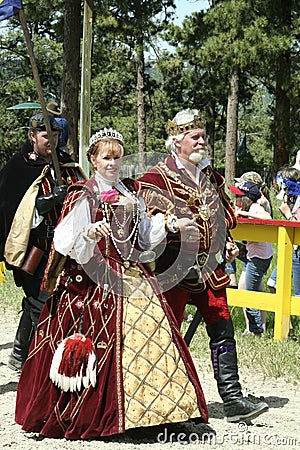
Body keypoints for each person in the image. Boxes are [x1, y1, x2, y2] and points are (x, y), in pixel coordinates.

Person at [15, 128, 208, 439]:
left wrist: (171, 223)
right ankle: (103, 413)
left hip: (132, 273)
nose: (113, 163)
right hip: (92, 280)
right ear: (93, 159)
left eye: (118, 157)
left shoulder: (130, 192)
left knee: (155, 333)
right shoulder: (83, 193)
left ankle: (157, 411)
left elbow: (144, 234)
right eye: (107, 157)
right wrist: (89, 233)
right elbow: (65, 241)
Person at [138, 108, 269, 423]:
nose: (202, 142)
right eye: (195, 137)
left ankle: (233, 398)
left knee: (223, 329)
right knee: (167, 335)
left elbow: (224, 213)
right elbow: (149, 222)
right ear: (177, 140)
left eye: (203, 137)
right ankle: (169, 404)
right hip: (173, 269)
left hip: (210, 269)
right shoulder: (157, 177)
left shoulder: (210, 175)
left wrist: (224, 240)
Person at [0, 112, 84, 371]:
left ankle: (26, 352)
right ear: (32, 136)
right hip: (35, 247)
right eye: (46, 135)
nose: (52, 140)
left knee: (52, 300)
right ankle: (30, 359)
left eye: (56, 135)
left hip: (65, 249)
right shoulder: (20, 166)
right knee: (41, 301)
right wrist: (46, 202)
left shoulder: (67, 164)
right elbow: (10, 207)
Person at [229, 181, 273, 336]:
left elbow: (268, 218)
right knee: (244, 289)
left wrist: (245, 214)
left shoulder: (255, 208)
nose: (235, 199)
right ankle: (253, 328)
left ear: (246, 198)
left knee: (250, 294)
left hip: (258, 257)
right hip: (252, 254)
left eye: (237, 196)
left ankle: (256, 331)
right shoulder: (246, 208)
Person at [267, 165, 300, 337]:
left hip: (298, 252)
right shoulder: (293, 200)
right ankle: (289, 327)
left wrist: (287, 214)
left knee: (298, 295)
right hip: (291, 251)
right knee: (273, 283)